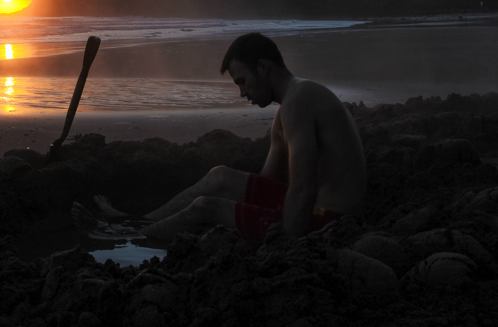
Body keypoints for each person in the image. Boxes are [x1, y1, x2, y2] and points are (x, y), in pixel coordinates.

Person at [72, 32, 367, 244]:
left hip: (329, 220)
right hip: (313, 208)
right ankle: (137, 224)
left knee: (206, 206)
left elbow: (302, 188)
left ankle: (132, 237)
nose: (242, 93)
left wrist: (285, 247)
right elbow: (268, 182)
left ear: (263, 68)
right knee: (220, 177)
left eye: (242, 81)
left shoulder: (298, 102)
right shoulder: (289, 105)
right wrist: (246, 211)